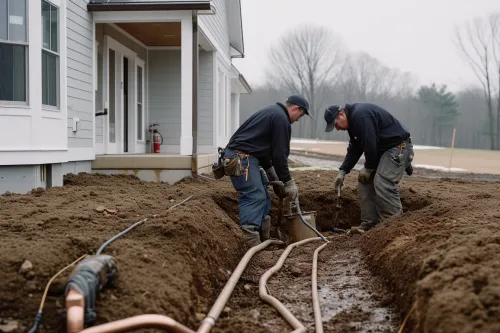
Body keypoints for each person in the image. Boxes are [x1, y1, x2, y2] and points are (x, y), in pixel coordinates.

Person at [223, 95, 313, 247]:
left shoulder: (273, 112)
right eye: (301, 115)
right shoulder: (280, 119)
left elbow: (260, 148)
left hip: (247, 156)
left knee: (264, 196)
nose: (298, 119)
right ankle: (251, 241)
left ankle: (264, 239)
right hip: (240, 157)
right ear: (295, 108)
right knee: (254, 195)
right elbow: (279, 156)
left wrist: (272, 175)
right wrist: (288, 182)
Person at [324, 103, 414, 234]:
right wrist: (343, 171)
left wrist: (369, 167)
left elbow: (370, 144)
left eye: (336, 124)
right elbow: (354, 149)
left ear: (341, 114)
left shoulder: (361, 116)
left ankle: (394, 226)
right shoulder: (353, 123)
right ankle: (370, 223)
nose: (337, 128)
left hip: (398, 147)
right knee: (364, 180)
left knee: (383, 181)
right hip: (384, 151)